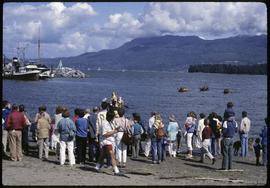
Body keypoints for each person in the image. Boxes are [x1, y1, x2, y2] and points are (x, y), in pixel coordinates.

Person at [95, 110, 121, 175]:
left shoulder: (111, 122)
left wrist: (117, 128)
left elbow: (114, 129)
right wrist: (115, 131)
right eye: (113, 117)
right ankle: (116, 170)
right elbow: (104, 134)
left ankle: (97, 166)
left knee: (103, 155)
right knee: (112, 155)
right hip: (106, 141)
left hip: (111, 140)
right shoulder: (104, 123)